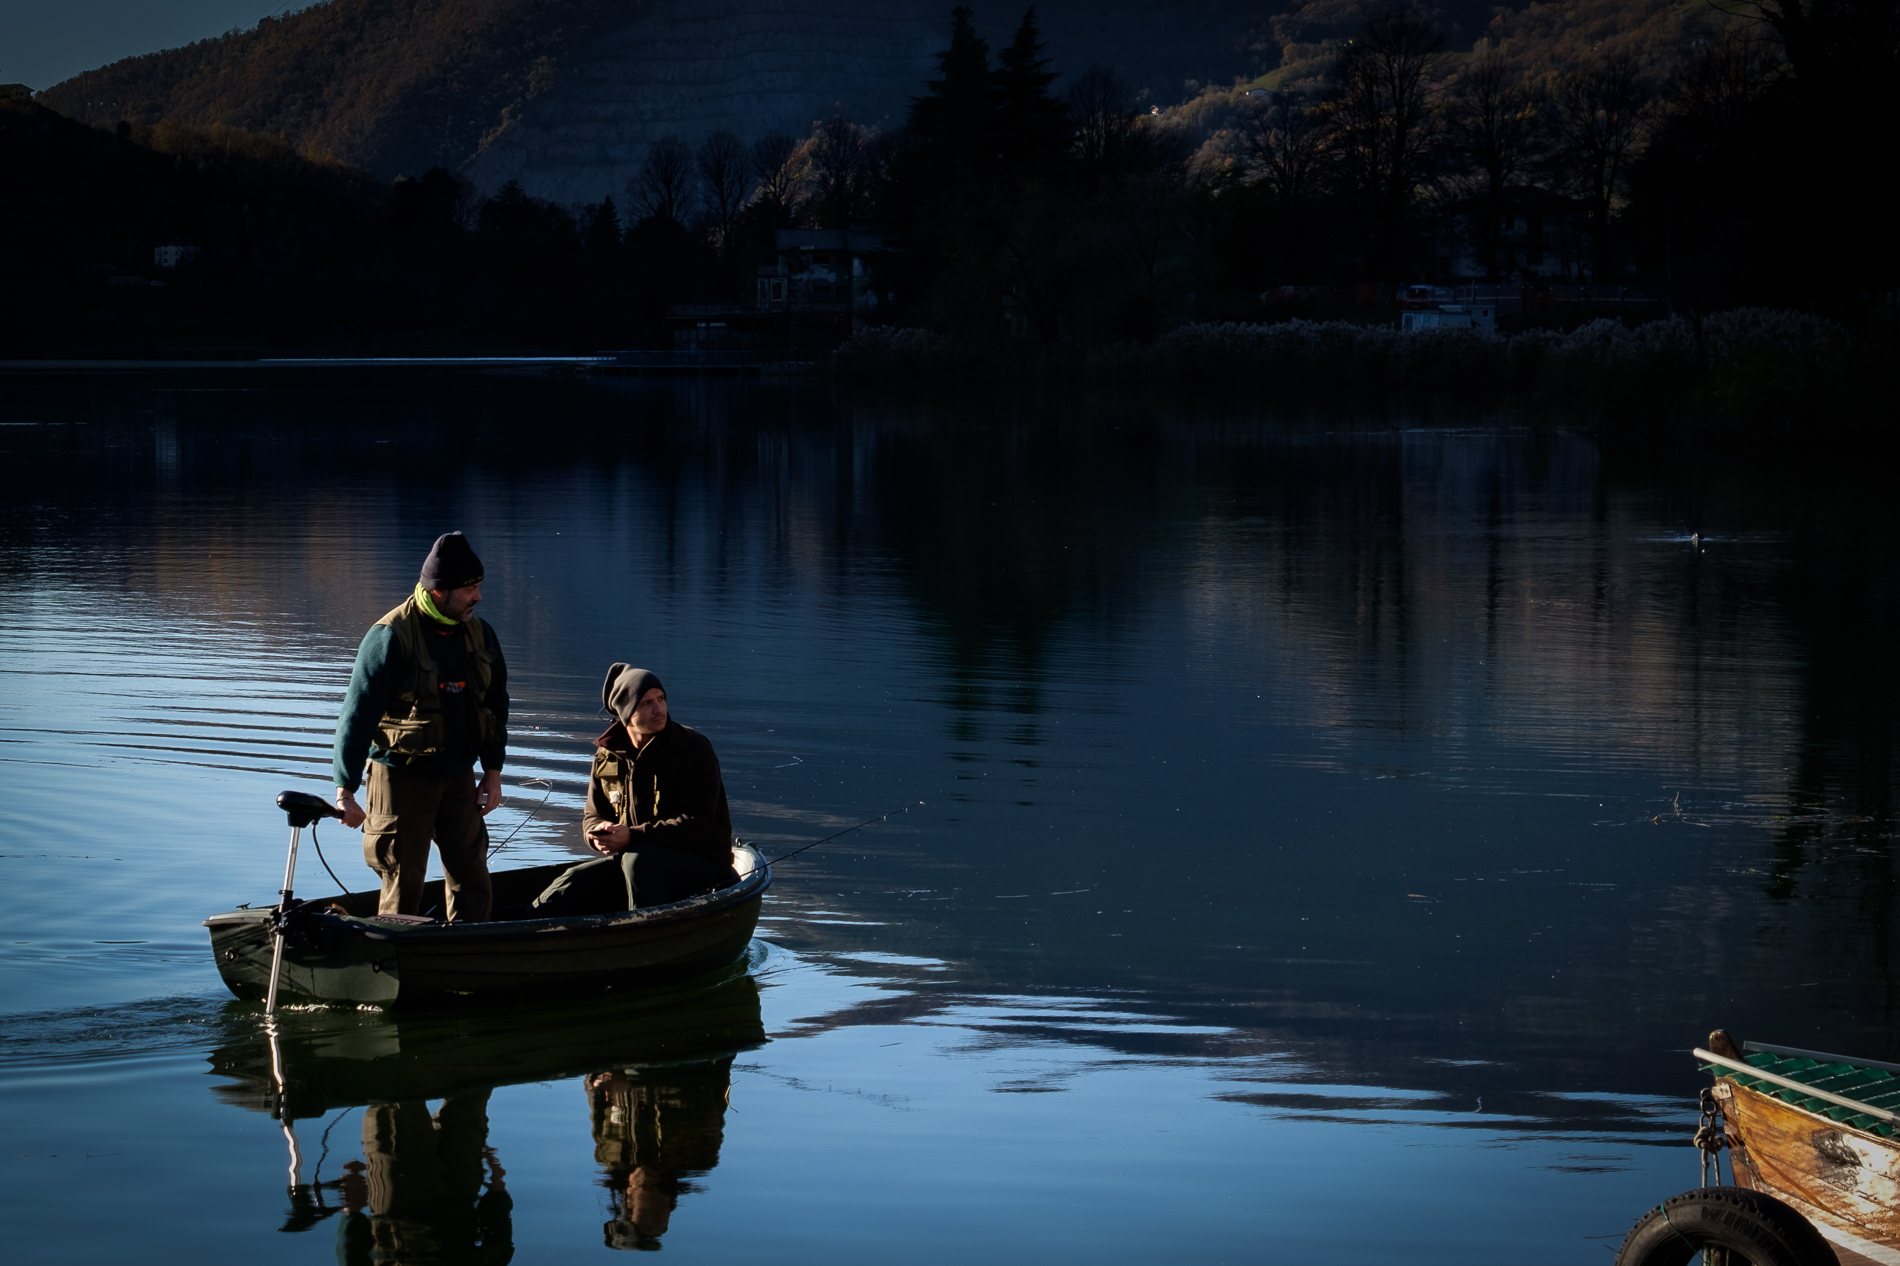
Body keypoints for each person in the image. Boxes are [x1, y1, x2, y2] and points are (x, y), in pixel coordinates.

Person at [332, 531, 507, 923]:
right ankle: (396, 953)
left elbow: (495, 706)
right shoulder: (389, 637)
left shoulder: (481, 634)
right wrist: (345, 790)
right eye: (469, 589)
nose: (478, 597)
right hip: (400, 778)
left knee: (471, 872)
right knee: (402, 876)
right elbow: (356, 716)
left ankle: (470, 947)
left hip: (459, 775)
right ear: (439, 590)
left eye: (478, 587)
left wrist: (492, 772)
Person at [529, 664, 735, 918]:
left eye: (661, 699)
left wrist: (631, 837)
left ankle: (643, 934)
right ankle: (516, 931)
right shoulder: (607, 756)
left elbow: (698, 826)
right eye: (646, 703)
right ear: (626, 713)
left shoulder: (692, 748)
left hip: (704, 868)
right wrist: (597, 834)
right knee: (572, 881)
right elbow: (593, 814)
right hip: (638, 865)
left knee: (639, 859)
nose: (659, 709)